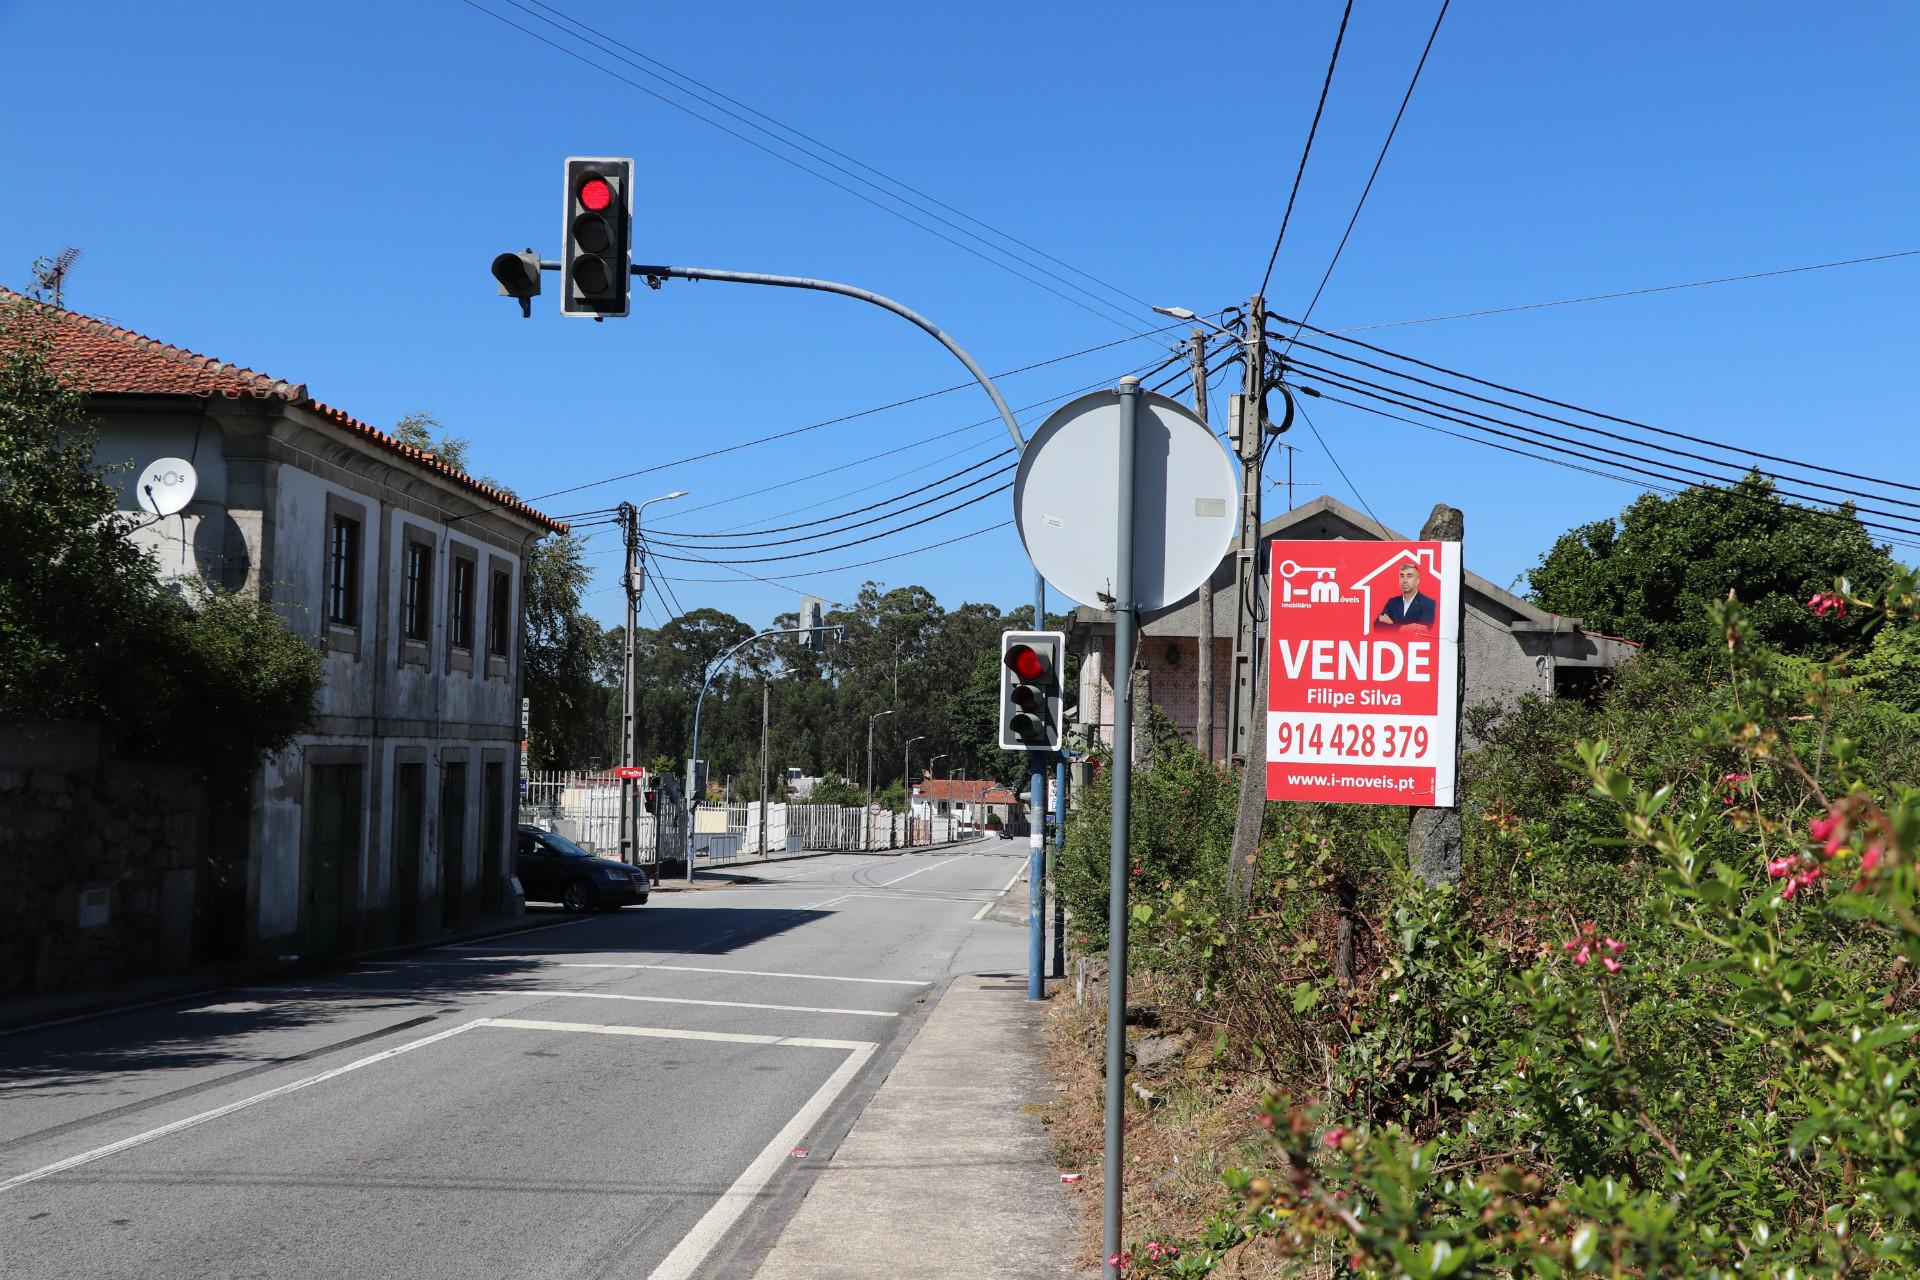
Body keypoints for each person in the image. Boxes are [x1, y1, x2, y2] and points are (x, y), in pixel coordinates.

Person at [1376, 562, 1436, 628]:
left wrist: (1392, 624)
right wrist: (1404, 628)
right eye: (1402, 576)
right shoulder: (1392, 602)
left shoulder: (1428, 603)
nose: (1404, 580)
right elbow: (1377, 626)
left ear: (1417, 581)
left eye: (1409, 576)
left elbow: (1423, 630)